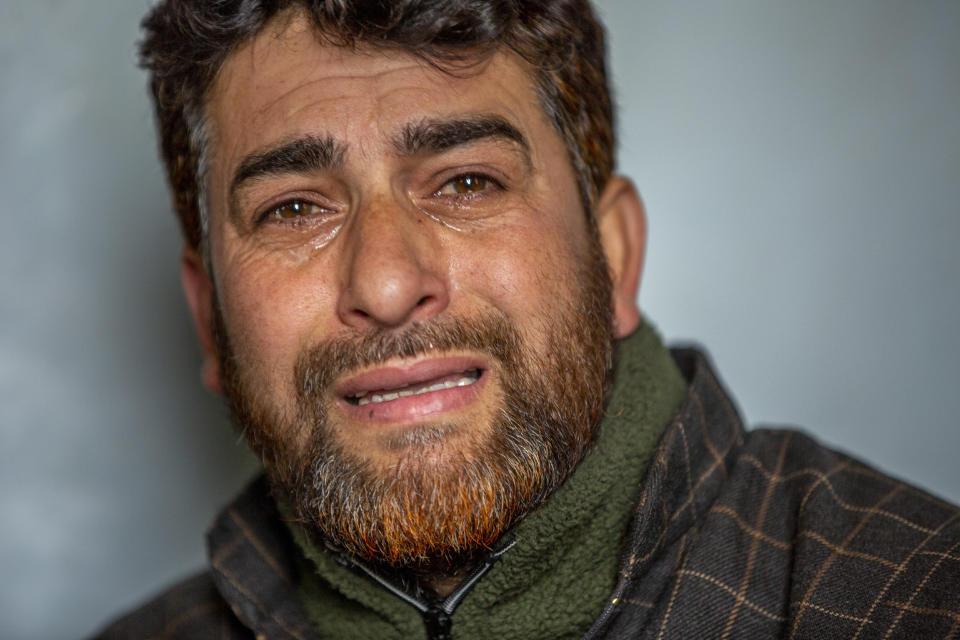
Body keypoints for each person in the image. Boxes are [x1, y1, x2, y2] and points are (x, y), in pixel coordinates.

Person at [98, 1, 960, 638]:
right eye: (293, 209)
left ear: (614, 254)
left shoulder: (917, 600)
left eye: (467, 183)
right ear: (209, 318)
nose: (389, 285)